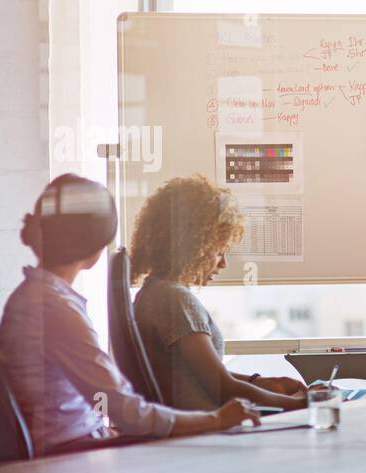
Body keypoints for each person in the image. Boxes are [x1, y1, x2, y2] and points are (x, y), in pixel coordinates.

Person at [0, 174, 261, 456]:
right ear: (96, 247)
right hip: (71, 458)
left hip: (76, 445)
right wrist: (216, 420)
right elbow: (125, 409)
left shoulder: (32, 298)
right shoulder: (57, 310)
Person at [129, 176, 306, 412]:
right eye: (219, 252)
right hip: (203, 433)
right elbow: (223, 388)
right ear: (193, 247)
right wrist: (303, 404)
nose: (222, 264)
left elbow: (200, 375)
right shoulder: (175, 300)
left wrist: (261, 382)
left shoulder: (152, 292)